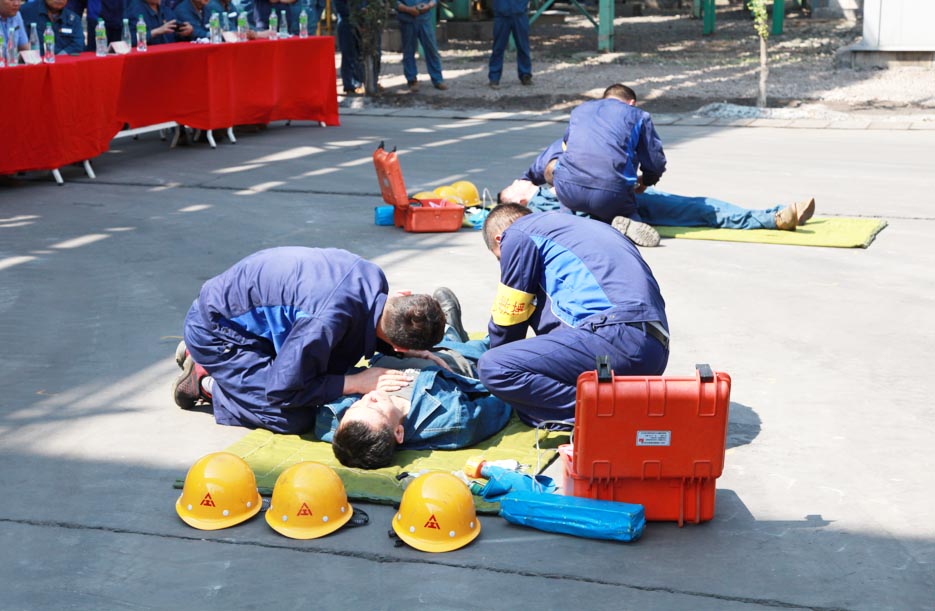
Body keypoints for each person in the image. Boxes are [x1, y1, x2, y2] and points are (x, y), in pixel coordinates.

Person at [172, 247, 447, 435]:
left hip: (238, 312)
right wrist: (356, 382)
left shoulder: (372, 277)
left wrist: (401, 351)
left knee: (331, 368)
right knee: (293, 417)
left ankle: (216, 364)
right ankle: (206, 380)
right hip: (216, 332)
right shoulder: (323, 323)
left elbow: (357, 323)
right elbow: (282, 391)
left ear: (403, 294)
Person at [477, 204, 669, 426]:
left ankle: (613, 414)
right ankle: (611, 408)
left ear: (500, 239)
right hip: (655, 350)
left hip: (614, 338)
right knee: (533, 410)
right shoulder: (583, 229)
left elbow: (509, 317)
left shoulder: (517, 233)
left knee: (495, 367)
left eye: (500, 258)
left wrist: (498, 366)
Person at [315, 289, 512, 469]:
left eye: (356, 406)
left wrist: (355, 382)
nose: (369, 398)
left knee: (417, 333)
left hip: (397, 351)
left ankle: (448, 330)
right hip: (453, 361)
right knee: (488, 346)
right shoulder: (453, 419)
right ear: (398, 433)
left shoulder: (334, 421)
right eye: (376, 408)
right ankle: (452, 332)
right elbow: (501, 400)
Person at [500, 151, 817, 233]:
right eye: (513, 186)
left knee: (698, 207)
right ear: (518, 199)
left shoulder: (547, 193)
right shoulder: (541, 205)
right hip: (626, 207)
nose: (518, 180)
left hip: (624, 201)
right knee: (701, 209)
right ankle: (773, 218)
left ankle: (772, 215)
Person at [550, 84, 668, 244]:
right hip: (610, 193)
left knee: (569, 202)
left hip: (567, 189)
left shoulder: (580, 110)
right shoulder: (638, 115)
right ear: (632, 102)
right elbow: (655, 160)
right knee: (624, 209)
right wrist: (647, 180)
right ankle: (628, 222)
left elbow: (566, 144)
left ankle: (566, 223)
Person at [396, 0, 446, 91]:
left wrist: (428, 6)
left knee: (432, 50)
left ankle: (438, 79)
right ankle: (412, 80)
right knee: (408, 51)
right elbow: (395, 3)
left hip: (424, 19)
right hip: (407, 20)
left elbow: (434, 0)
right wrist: (408, 9)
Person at [487, 0, 531, 89]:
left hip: (519, 13)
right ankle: (494, 77)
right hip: (502, 14)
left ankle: (525, 75)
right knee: (498, 48)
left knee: (523, 46)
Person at [19, 0, 84, 55]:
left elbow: (78, 44)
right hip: (33, 62)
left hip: (62, 63)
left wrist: (59, 57)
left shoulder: (73, 18)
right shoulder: (25, 11)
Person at [127, 0, 191, 46]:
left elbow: (177, 37)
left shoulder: (166, 10)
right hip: (148, 57)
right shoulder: (134, 11)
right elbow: (129, 41)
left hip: (170, 55)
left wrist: (186, 32)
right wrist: (156, 32)